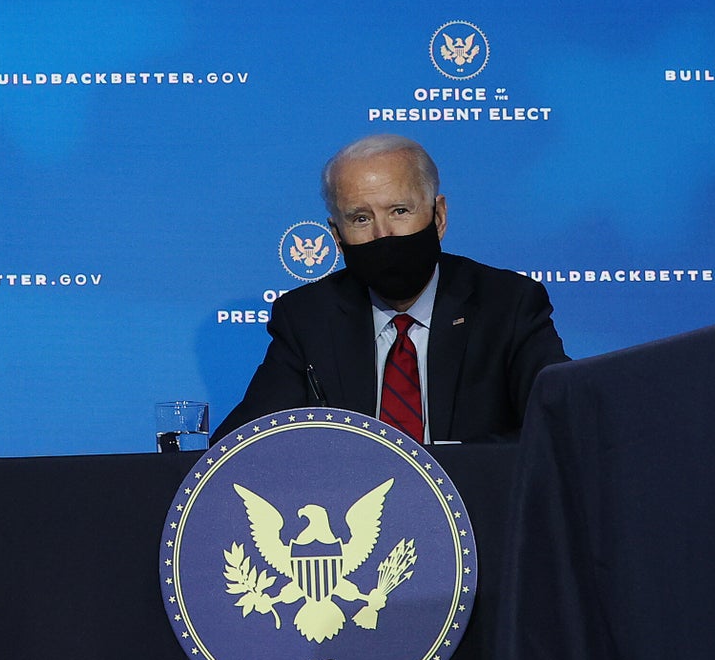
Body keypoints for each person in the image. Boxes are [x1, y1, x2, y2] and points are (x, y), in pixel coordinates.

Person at [219, 135, 567, 442]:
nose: (383, 234)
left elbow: (560, 425)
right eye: (360, 218)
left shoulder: (507, 304)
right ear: (337, 236)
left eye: (400, 211)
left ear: (438, 216)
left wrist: (461, 463)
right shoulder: (307, 318)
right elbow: (246, 443)